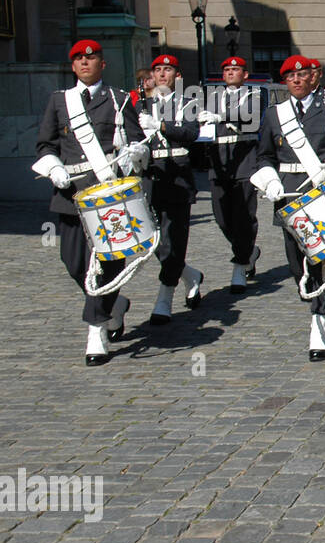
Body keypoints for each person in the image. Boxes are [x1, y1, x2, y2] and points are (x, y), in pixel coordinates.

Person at [33, 39, 148, 364]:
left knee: (107, 264)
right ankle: (115, 304)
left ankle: (96, 331)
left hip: (110, 194)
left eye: (92, 58)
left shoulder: (119, 99)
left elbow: (137, 140)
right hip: (72, 194)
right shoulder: (59, 102)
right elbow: (45, 144)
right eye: (79, 60)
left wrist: (136, 152)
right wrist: (53, 166)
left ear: (102, 63)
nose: (85, 63)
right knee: (73, 262)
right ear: (73, 66)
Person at [249, 55, 325, 360]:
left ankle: (319, 325)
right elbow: (264, 155)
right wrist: (269, 180)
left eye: (302, 75)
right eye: (290, 77)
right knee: (298, 266)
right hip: (288, 195)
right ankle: (312, 298)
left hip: (320, 192)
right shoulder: (274, 115)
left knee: (322, 260)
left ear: (313, 78)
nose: (296, 80)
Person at [138, 53, 208, 324]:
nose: (162, 74)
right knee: (155, 241)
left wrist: (162, 126)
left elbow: (191, 134)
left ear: (177, 76)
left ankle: (164, 298)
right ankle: (190, 275)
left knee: (174, 240)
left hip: (178, 178)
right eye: (157, 70)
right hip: (150, 177)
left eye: (167, 70)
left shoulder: (188, 103)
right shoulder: (142, 104)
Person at [203, 56, 263, 293]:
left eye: (235, 69)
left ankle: (239, 265)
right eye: (226, 69)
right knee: (222, 218)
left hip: (244, 165)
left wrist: (223, 117)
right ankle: (248, 251)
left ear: (245, 75)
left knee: (243, 216)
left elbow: (251, 118)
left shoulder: (253, 97)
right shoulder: (212, 99)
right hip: (219, 164)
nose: (230, 73)